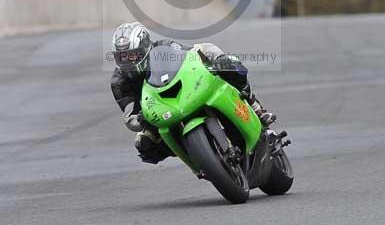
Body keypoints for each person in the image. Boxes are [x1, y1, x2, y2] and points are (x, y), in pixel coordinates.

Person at [109, 22, 276, 164]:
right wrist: (140, 119)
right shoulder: (119, 82)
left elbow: (192, 54)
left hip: (184, 91)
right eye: (122, 57)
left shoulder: (164, 47)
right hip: (157, 112)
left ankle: (255, 107)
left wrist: (212, 63)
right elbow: (129, 116)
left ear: (145, 47)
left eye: (132, 55)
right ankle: (199, 157)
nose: (127, 61)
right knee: (143, 144)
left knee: (217, 56)